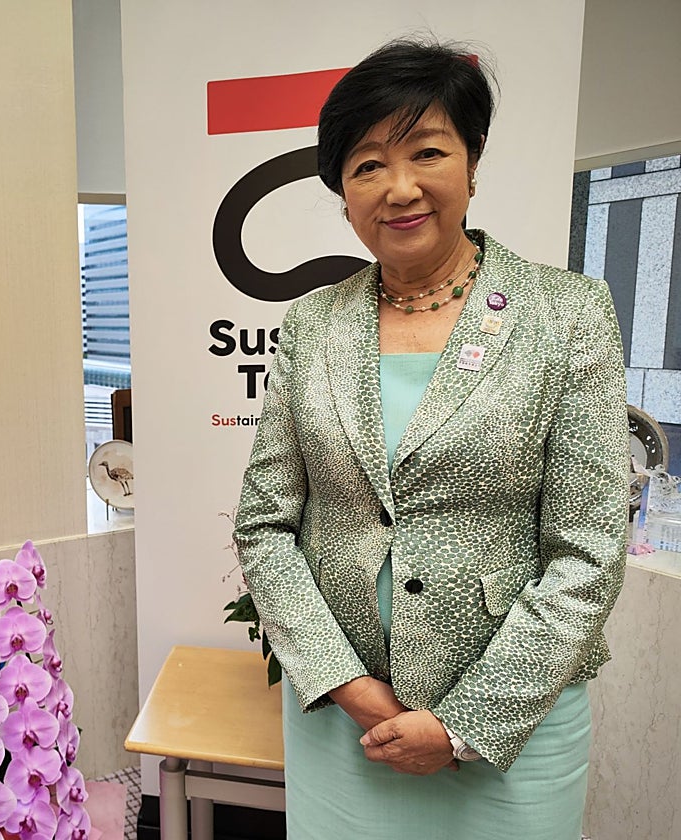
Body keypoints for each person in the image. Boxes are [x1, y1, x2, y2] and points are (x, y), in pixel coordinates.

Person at [233, 39, 626, 840]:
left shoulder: (568, 314)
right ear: (344, 193)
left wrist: (463, 725)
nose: (400, 187)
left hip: (511, 729)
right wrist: (347, 686)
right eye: (368, 165)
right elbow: (264, 525)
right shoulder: (312, 324)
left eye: (427, 152)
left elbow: (589, 548)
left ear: (472, 163)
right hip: (347, 721)